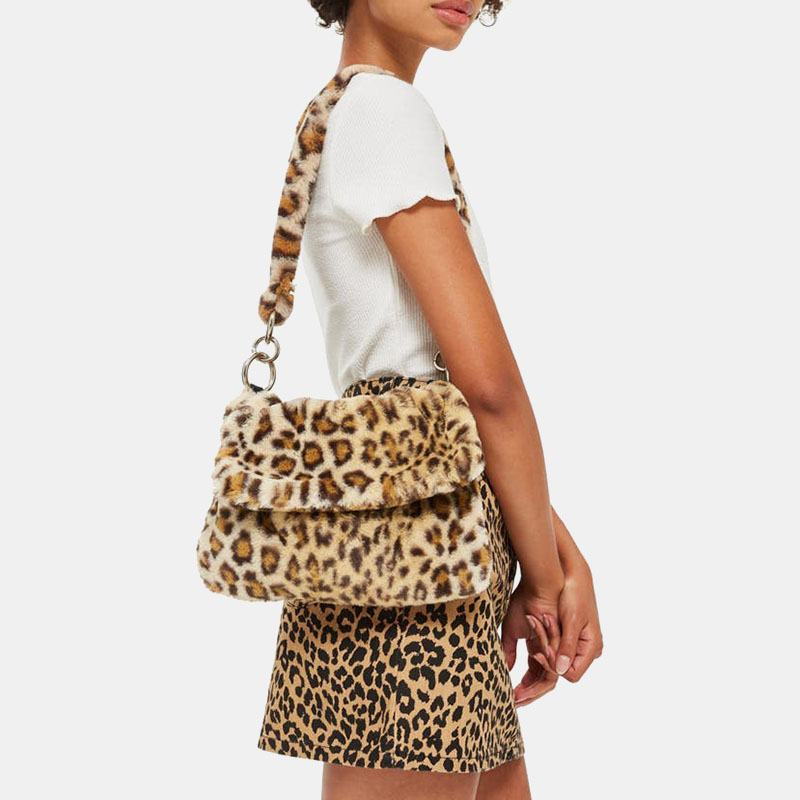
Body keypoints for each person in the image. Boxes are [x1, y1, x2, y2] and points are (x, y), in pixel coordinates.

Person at [257, 3, 603, 798]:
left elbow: (442, 408)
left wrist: (556, 556)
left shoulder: (353, 111)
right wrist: (545, 581)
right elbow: (488, 389)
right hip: (419, 555)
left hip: (406, 531)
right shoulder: (383, 110)